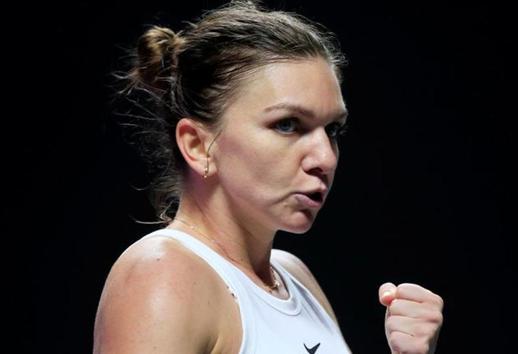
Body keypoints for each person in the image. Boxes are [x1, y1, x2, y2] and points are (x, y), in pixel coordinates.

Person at [93, 1, 444, 353]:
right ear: (198, 145)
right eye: (287, 124)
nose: (324, 158)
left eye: (333, 130)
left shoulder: (297, 278)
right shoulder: (162, 273)